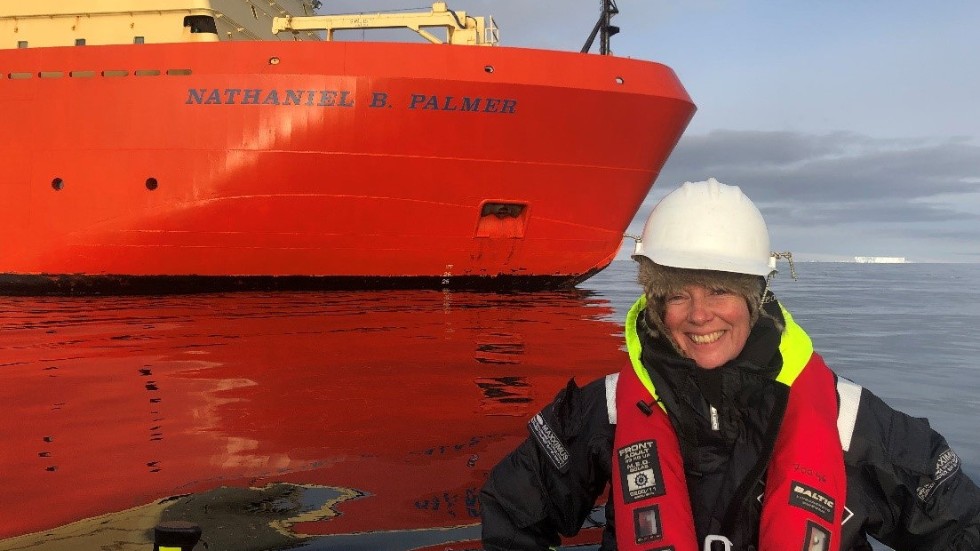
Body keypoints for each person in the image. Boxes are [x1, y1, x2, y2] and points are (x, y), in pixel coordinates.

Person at [479, 178, 980, 550]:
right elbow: (512, 507)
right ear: (655, 302)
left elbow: (960, 525)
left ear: (755, 298)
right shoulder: (604, 412)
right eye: (676, 294)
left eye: (720, 290)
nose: (699, 315)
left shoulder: (849, 422)